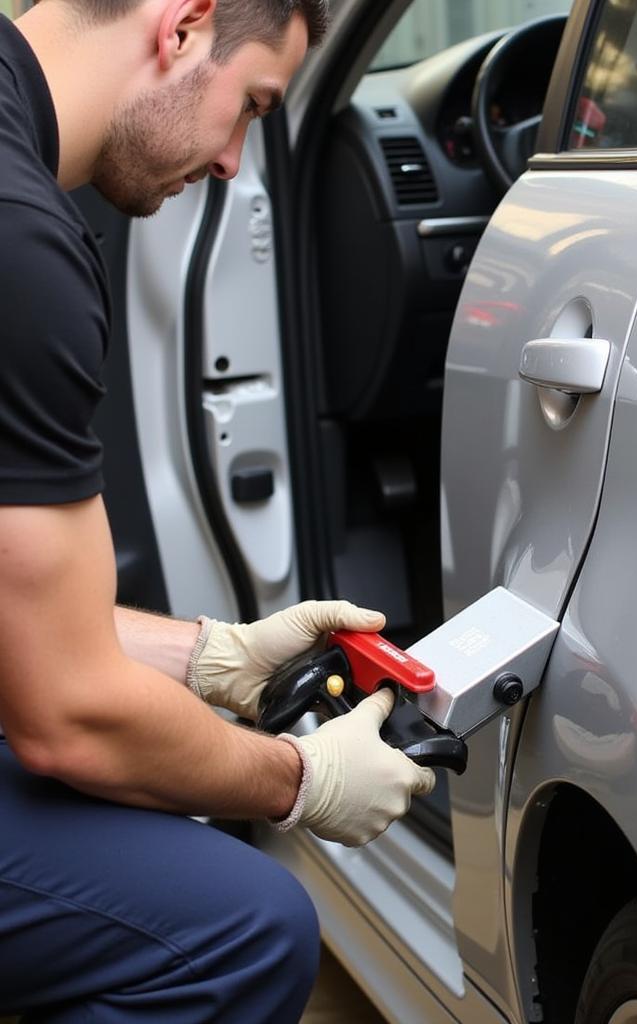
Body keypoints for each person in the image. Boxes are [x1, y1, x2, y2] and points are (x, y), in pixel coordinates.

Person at [0, 0, 435, 1017]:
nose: (238, 163)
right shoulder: (22, 252)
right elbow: (68, 718)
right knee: (241, 928)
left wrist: (206, 656)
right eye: (250, 108)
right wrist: (295, 777)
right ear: (184, 26)